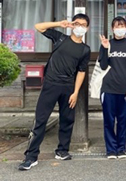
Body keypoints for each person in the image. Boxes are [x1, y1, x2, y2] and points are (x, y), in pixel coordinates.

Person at [19, 14, 91, 171]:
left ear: (87, 28)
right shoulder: (60, 38)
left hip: (68, 87)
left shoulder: (85, 49)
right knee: (41, 120)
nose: (79, 27)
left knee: (67, 120)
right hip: (50, 85)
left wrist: (76, 92)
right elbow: (38, 26)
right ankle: (31, 156)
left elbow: (81, 71)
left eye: (83, 24)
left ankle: (62, 150)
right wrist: (60, 23)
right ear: (72, 25)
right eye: (77, 23)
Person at [98, 16, 126, 159]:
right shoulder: (107, 44)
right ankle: (110, 149)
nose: (120, 28)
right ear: (112, 29)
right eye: (117, 26)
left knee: (122, 121)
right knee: (108, 121)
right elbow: (103, 65)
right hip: (108, 89)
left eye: (122, 25)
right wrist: (104, 49)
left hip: (125, 90)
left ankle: (121, 148)